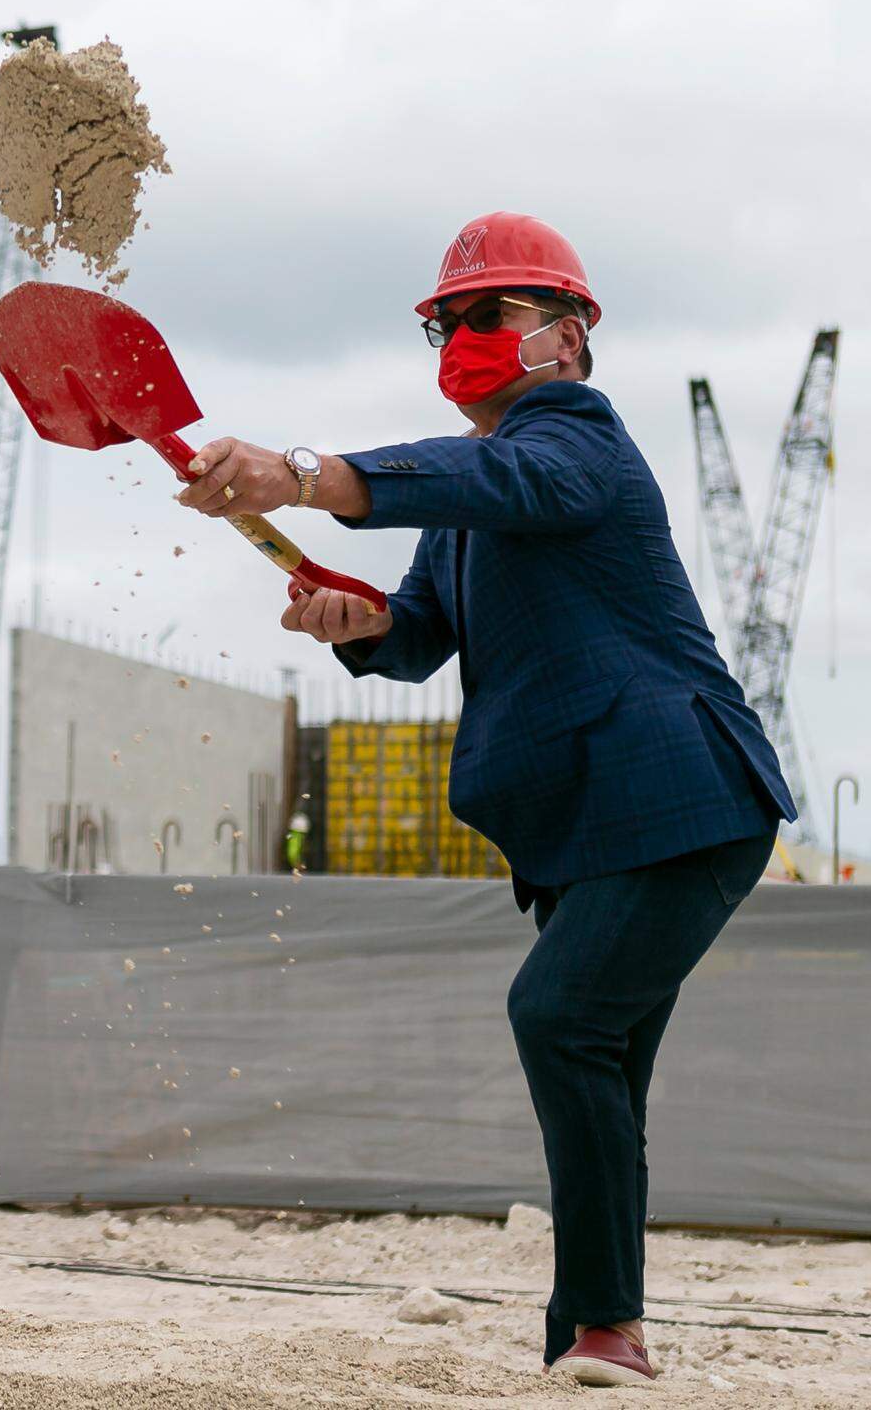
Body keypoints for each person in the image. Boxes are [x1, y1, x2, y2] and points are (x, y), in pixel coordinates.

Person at [176, 211, 796, 1388]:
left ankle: (603, 1329)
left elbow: (498, 475)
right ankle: (595, 1337)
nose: (460, 334)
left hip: (682, 800)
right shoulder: (476, 503)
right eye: (446, 321)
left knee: (559, 1018)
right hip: (591, 824)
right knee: (600, 1068)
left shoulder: (576, 441)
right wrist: (359, 622)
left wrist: (300, 475)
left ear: (567, 337)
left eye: (486, 313)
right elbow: (419, 635)